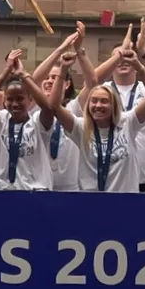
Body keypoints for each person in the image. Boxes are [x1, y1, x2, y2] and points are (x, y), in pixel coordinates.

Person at [49, 38, 145, 193]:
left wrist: (139, 67)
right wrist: (62, 70)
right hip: (90, 204)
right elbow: (54, 106)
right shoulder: (81, 127)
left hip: (125, 203)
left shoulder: (128, 122)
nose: (98, 106)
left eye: (104, 101)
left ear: (114, 104)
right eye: (94, 101)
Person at [92, 20, 145, 191]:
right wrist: (118, 57)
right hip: (114, 176)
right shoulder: (102, 92)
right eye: (118, 57)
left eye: (128, 55)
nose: (123, 60)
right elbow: (92, 79)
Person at [0, 49, 58, 191]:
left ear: (30, 100)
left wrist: (23, 74)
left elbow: (48, 108)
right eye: (10, 99)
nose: (15, 104)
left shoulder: (38, 123)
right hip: (1, 192)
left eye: (20, 99)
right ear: (4, 101)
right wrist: (6, 72)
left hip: (35, 192)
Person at [31, 27, 91, 192]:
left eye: (55, 78)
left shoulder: (74, 108)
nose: (49, 81)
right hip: (41, 186)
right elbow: (33, 80)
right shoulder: (35, 108)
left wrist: (79, 51)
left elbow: (92, 83)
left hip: (71, 188)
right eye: (47, 78)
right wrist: (61, 50)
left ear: (67, 83)